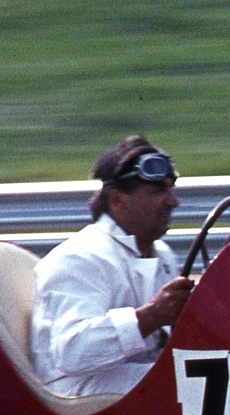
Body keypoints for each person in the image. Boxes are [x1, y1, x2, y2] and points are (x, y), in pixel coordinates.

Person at [31, 136, 196, 397]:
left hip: (126, 380)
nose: (173, 201)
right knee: (196, 383)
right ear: (118, 200)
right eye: (157, 192)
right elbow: (73, 351)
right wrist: (152, 315)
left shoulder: (161, 254)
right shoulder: (80, 256)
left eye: (170, 190)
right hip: (75, 393)